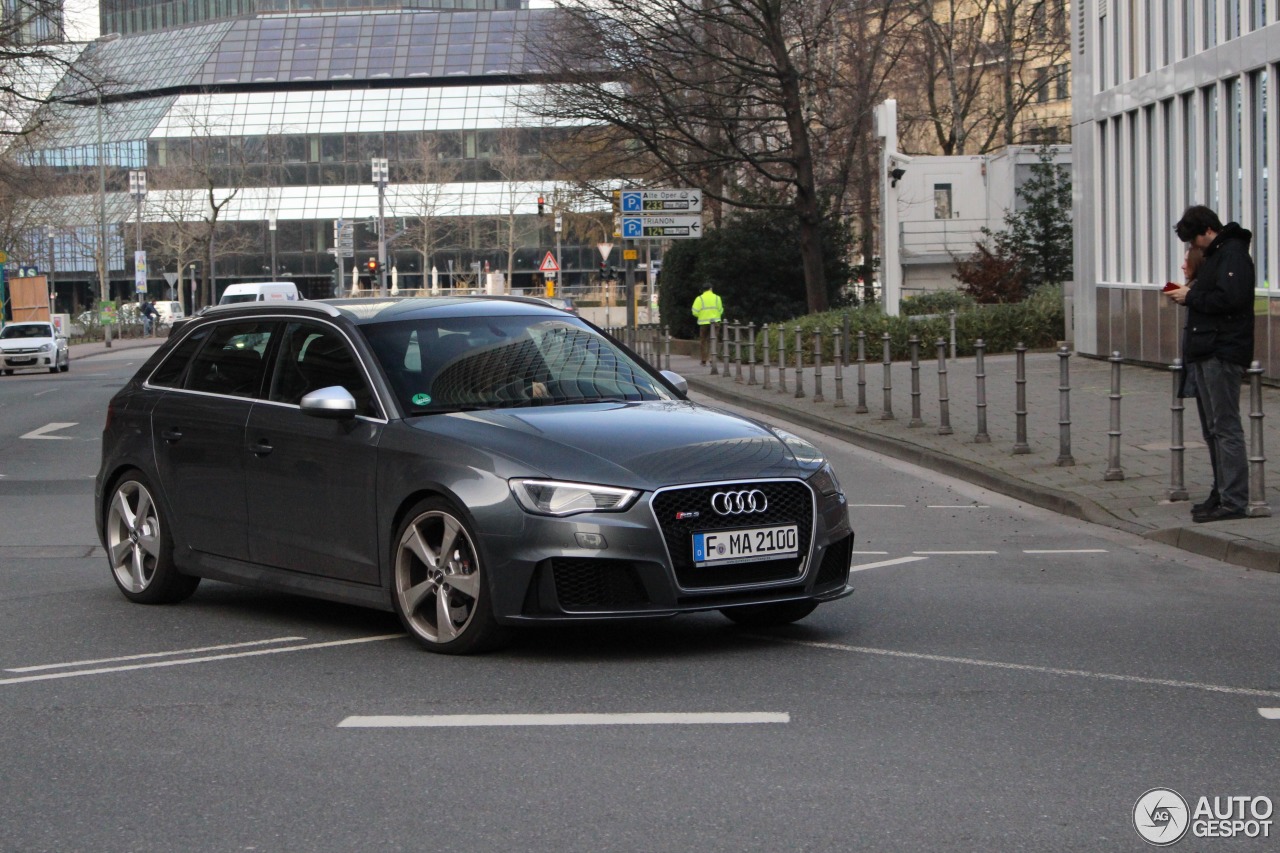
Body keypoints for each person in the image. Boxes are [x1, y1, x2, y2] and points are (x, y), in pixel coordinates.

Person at [1166, 205, 1255, 522]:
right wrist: (1190, 291)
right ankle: (1222, 493)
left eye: (1194, 240)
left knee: (1225, 428)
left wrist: (1190, 297)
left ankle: (1233, 500)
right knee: (1213, 429)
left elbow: (1232, 299)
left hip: (1222, 350)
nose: (1193, 248)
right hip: (1207, 349)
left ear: (1207, 230)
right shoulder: (1220, 254)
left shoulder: (1232, 254)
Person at [691, 283, 724, 364]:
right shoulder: (717, 298)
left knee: (703, 341)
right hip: (715, 322)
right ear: (711, 289)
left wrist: (701, 315)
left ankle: (703, 359)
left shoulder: (699, 299)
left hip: (703, 323)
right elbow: (721, 310)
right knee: (713, 340)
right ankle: (712, 358)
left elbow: (694, 312)